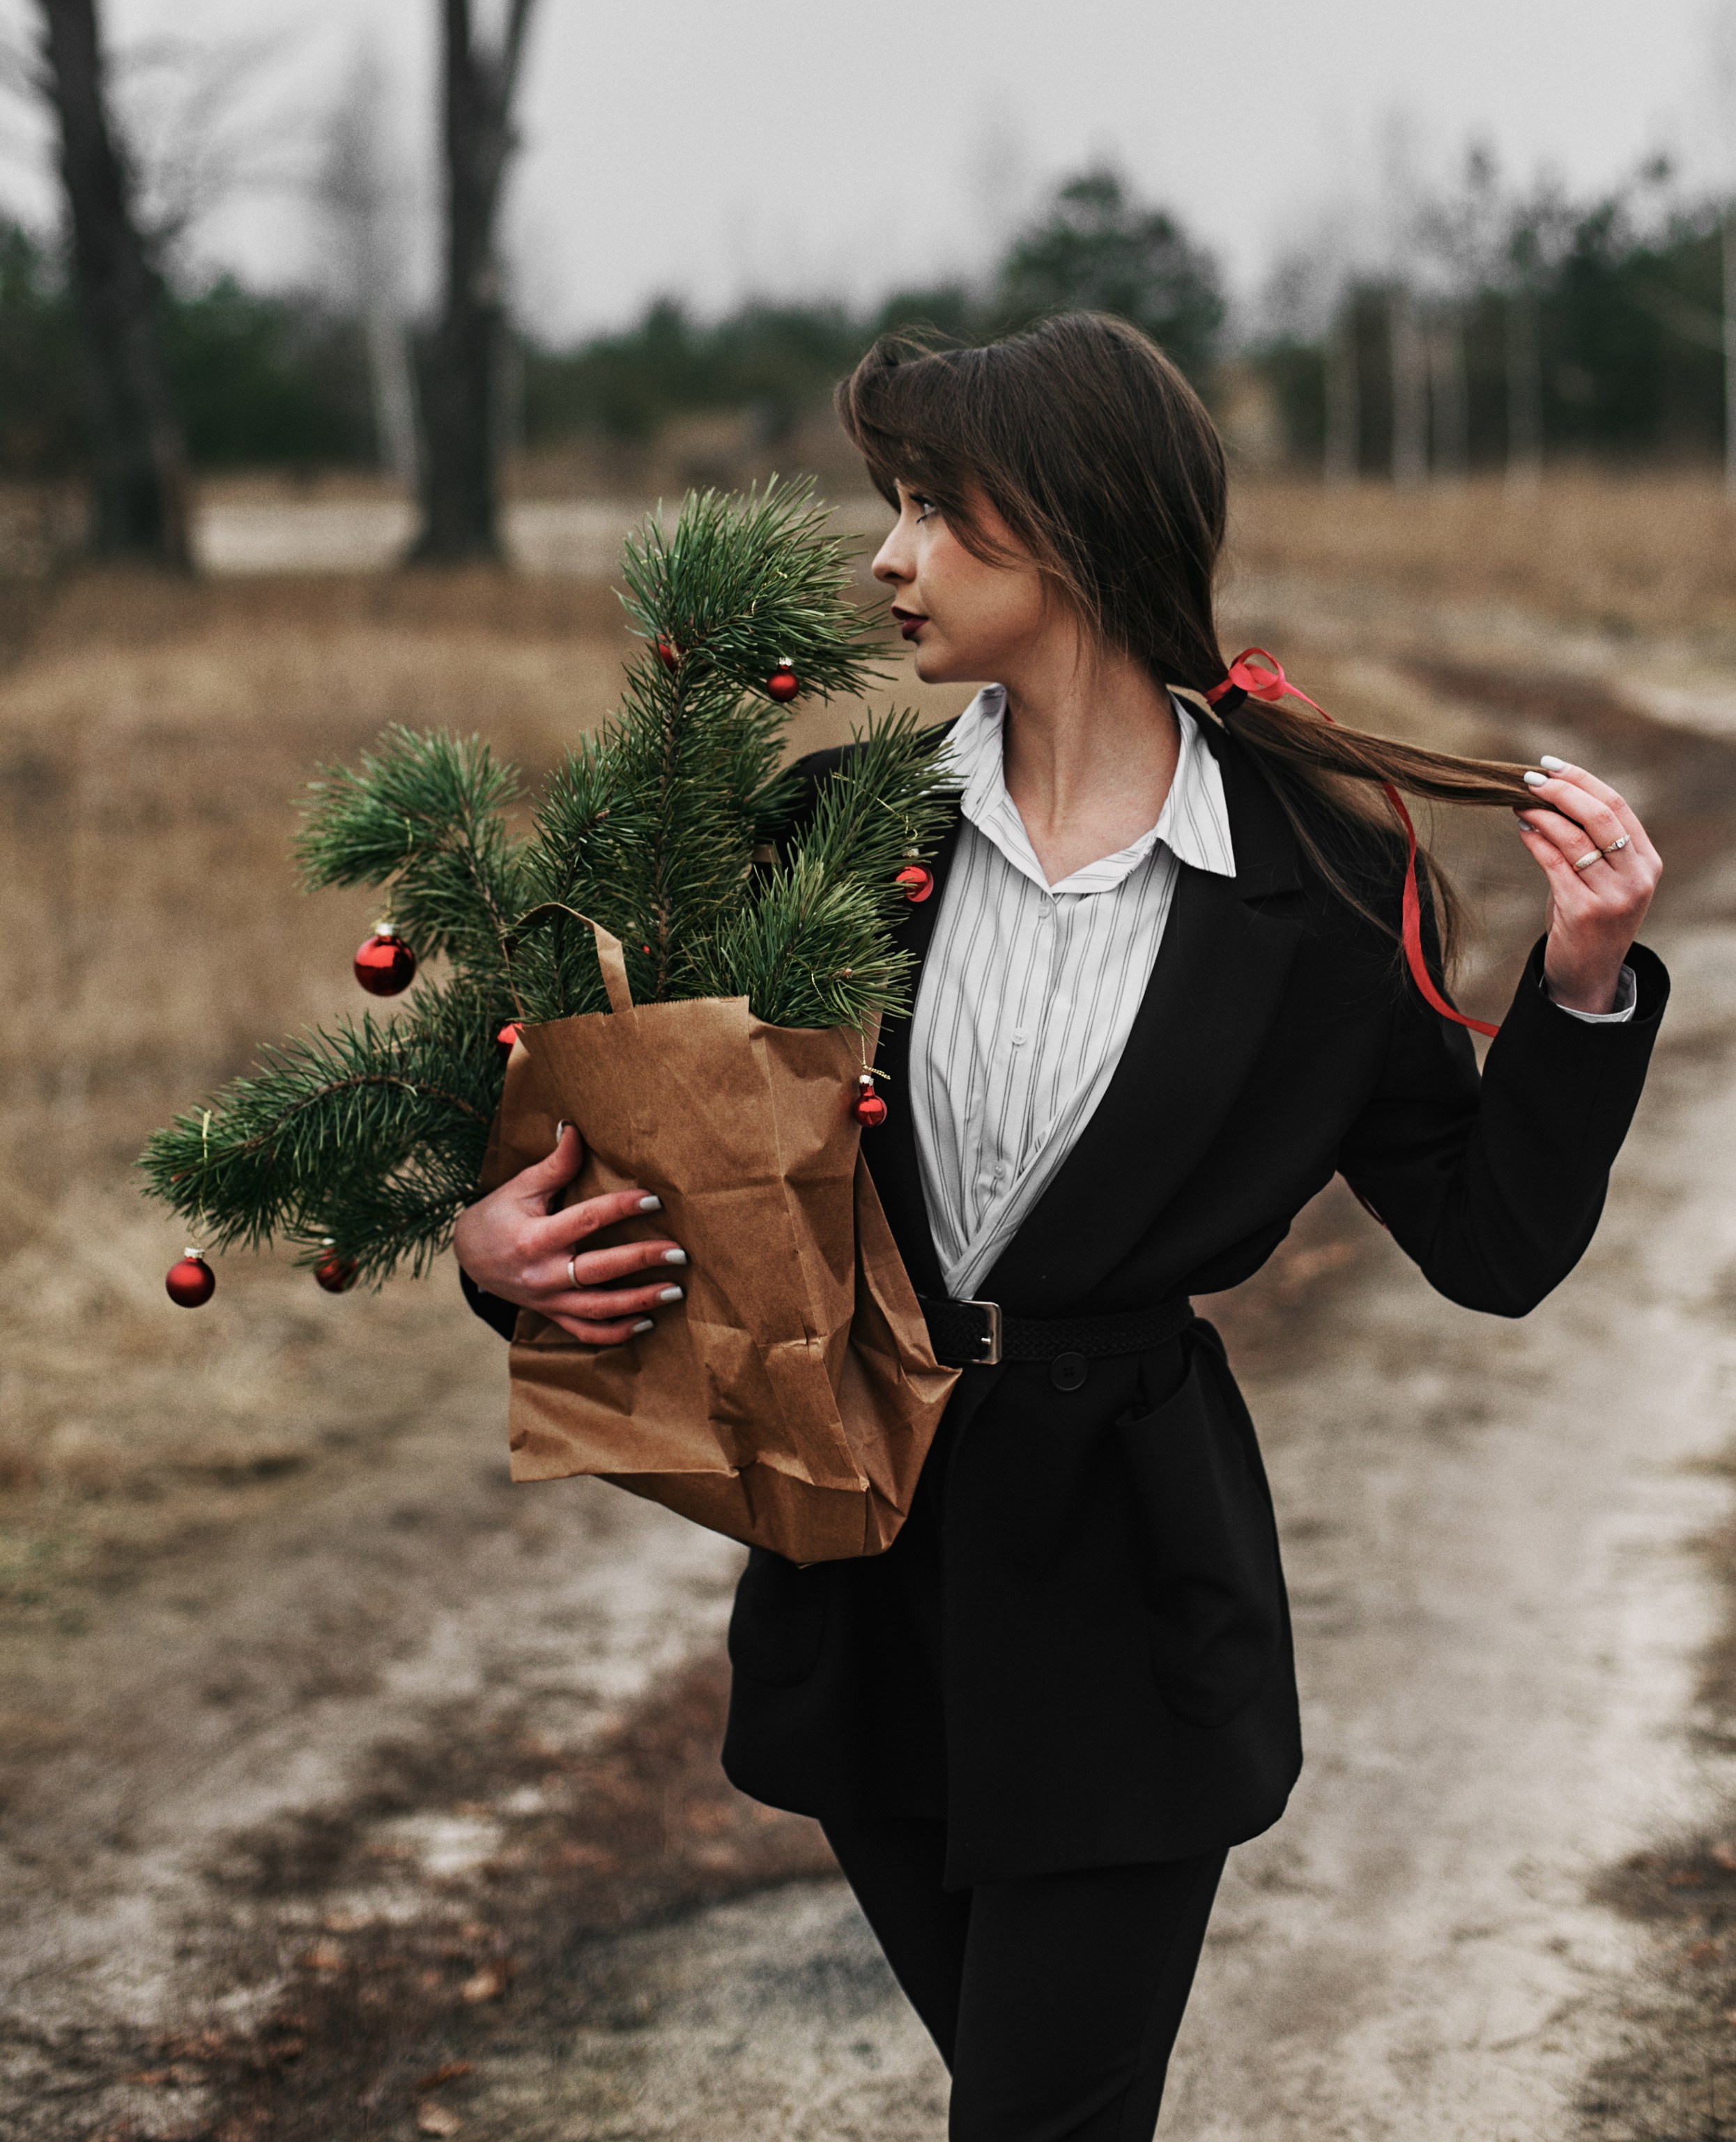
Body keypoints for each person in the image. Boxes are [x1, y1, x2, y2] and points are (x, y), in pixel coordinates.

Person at [452, 313, 1666, 2141]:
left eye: (936, 509)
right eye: (894, 505)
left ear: (1078, 523)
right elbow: (664, 1170)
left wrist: (1579, 982)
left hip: (1127, 1589)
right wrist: (505, 1260)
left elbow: (1492, 1246)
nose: (889, 557)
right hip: (863, 1568)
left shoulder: (1325, 879)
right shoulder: (830, 836)